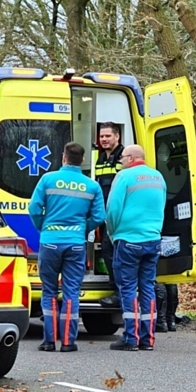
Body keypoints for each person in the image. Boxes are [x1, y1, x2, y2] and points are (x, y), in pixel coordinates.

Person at [29, 142, 105, 352]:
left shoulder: (48, 179)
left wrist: (43, 228)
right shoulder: (92, 186)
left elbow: (34, 208)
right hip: (75, 243)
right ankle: (68, 342)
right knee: (72, 292)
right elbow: (99, 216)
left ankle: (49, 341)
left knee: (49, 291)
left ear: (63, 157)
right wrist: (81, 230)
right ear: (81, 160)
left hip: (50, 241)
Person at [106, 144, 166, 351]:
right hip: (152, 239)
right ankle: (148, 339)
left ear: (131, 158)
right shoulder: (158, 177)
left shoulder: (124, 177)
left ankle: (130, 338)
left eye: (122, 157)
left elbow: (113, 209)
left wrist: (112, 233)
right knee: (148, 287)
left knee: (128, 288)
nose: (120, 160)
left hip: (128, 239)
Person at [94, 122, 123, 308]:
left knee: (110, 249)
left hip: (116, 213)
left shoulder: (123, 157)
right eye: (102, 136)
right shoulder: (100, 158)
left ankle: (119, 291)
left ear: (117, 136)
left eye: (108, 136)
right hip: (103, 212)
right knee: (107, 250)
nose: (104, 139)